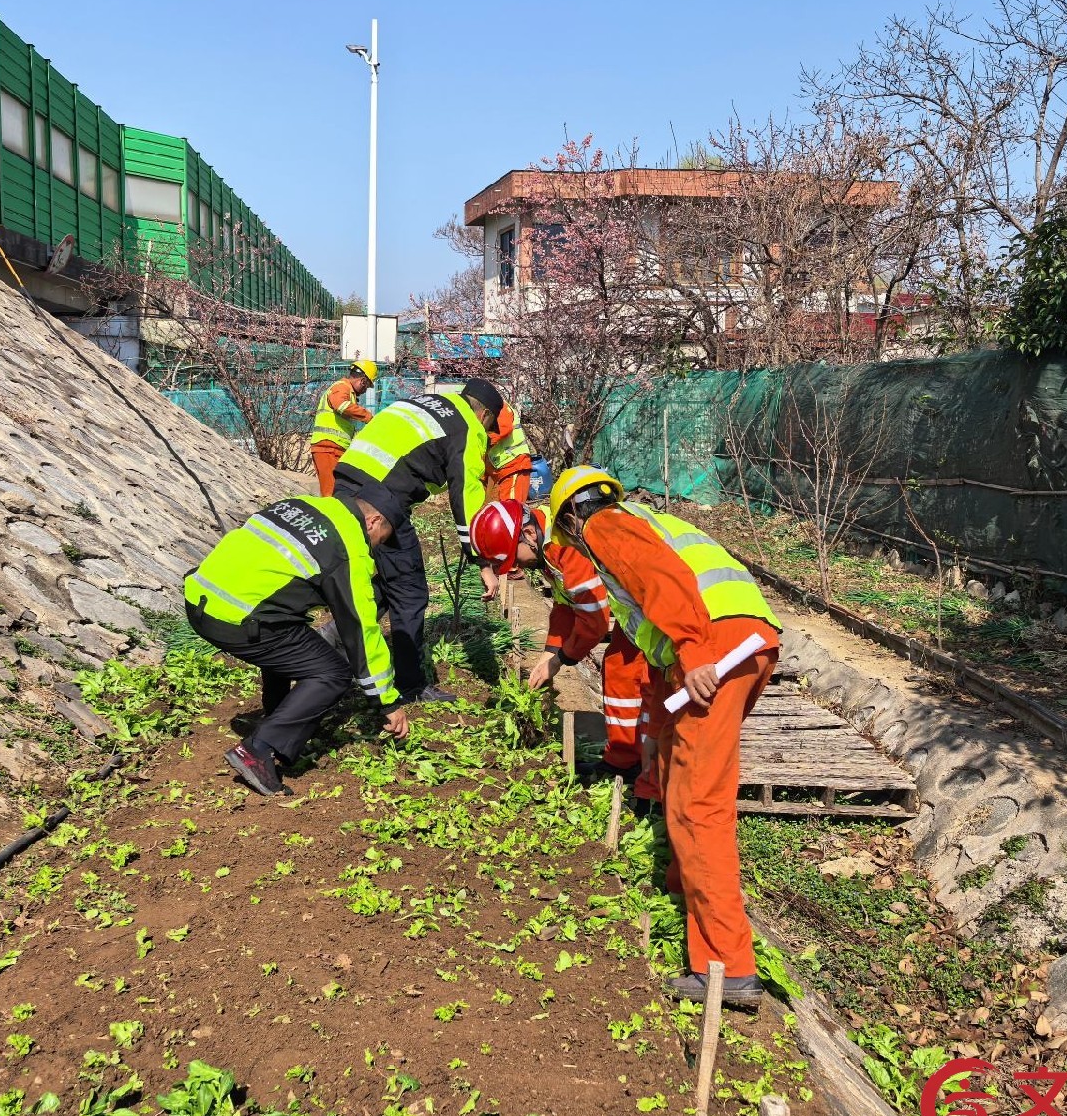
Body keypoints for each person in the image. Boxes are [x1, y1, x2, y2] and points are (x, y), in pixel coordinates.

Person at [546, 466, 781, 1009]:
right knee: (681, 777)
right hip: (744, 641)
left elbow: (663, 580)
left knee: (699, 805)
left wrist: (695, 653)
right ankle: (683, 891)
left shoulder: (604, 525)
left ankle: (728, 967)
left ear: (571, 519)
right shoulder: (647, 517)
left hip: (714, 648)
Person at [183, 487, 408, 797]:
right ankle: (258, 748)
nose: (376, 547)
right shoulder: (348, 546)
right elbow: (361, 629)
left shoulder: (303, 505)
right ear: (373, 521)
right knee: (333, 673)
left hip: (201, 597)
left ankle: (274, 718)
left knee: (291, 636)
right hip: (236, 618)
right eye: (382, 538)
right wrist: (388, 703)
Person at [332, 379, 507, 704]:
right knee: (410, 593)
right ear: (484, 415)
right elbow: (465, 500)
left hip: (347, 479)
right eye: (491, 426)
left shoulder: (428, 404)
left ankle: (331, 638)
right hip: (380, 499)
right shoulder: (468, 428)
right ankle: (410, 686)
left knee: (387, 582)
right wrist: (483, 563)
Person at [467, 498, 651, 784]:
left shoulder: (564, 546)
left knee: (625, 669)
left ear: (528, 534)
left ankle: (635, 767)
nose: (517, 566)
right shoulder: (545, 545)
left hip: (655, 597)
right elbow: (566, 605)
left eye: (515, 558)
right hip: (642, 598)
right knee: (618, 667)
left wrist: (561, 658)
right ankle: (625, 760)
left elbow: (595, 621)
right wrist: (549, 653)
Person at [308, 360, 377, 495]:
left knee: (338, 492)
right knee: (332, 493)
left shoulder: (348, 392)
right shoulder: (342, 387)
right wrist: (368, 417)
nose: (365, 391)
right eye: (367, 386)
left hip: (334, 448)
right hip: (328, 447)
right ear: (363, 381)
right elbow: (341, 405)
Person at [486, 403, 533, 506]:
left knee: (510, 511)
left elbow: (502, 429)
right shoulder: (487, 409)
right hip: (501, 468)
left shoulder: (499, 406)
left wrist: (481, 441)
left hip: (514, 464)